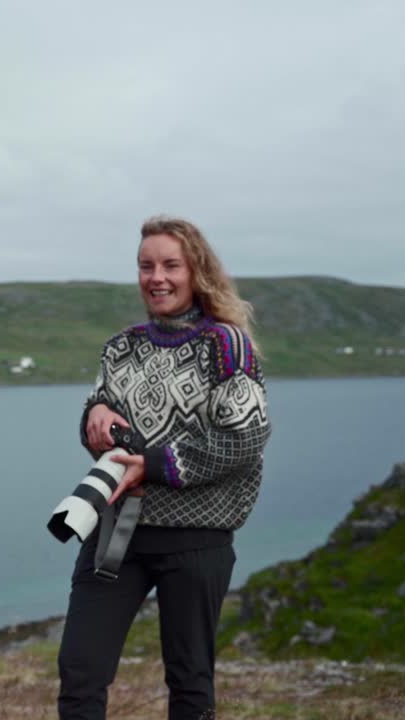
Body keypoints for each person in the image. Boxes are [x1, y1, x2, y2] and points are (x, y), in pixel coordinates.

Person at [57, 215, 271, 720]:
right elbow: (99, 419)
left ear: (196, 270)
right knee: (80, 668)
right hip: (116, 529)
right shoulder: (120, 346)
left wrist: (151, 464)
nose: (157, 277)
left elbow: (245, 439)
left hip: (196, 537)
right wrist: (95, 416)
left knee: (189, 678)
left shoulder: (228, 346)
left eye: (171, 265)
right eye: (146, 266)